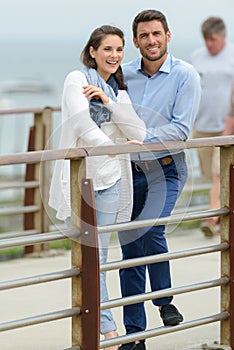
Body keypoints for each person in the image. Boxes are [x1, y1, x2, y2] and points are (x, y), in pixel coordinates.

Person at [48, 25, 146, 350]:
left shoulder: (118, 90)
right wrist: (113, 146)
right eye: (107, 49)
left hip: (109, 181)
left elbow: (138, 131)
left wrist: (108, 100)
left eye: (119, 50)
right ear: (92, 51)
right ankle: (105, 330)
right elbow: (81, 122)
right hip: (80, 183)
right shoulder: (76, 80)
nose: (114, 55)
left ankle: (105, 332)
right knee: (91, 257)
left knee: (100, 256)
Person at [117, 9, 201, 350]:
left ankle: (164, 299)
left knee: (152, 228)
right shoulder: (122, 76)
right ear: (135, 41)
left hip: (166, 168)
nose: (151, 40)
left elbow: (181, 129)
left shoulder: (186, 75)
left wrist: (139, 135)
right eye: (144, 36)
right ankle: (134, 336)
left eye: (157, 33)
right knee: (130, 252)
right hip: (127, 172)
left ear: (168, 35)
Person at [190, 17, 234, 237]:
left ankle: (211, 218)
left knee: (219, 175)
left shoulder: (232, 56)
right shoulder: (197, 57)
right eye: (206, 39)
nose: (209, 44)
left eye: (213, 40)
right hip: (203, 127)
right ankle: (220, 219)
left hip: (227, 128)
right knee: (212, 176)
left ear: (223, 37)